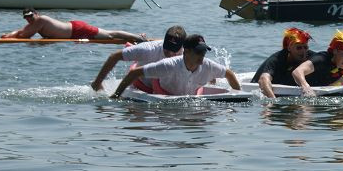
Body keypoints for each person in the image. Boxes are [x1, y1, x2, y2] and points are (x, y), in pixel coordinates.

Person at [110, 34, 240, 98]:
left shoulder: (208, 66)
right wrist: (115, 97)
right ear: (187, 51)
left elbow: (229, 74)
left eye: (204, 51)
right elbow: (134, 74)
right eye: (198, 51)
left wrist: (238, 94)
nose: (202, 55)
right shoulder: (168, 65)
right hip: (158, 87)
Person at [91, 25, 186, 92]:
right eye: (166, 49)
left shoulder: (188, 54)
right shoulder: (149, 49)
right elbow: (114, 56)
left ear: (182, 46)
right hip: (142, 85)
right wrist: (97, 83)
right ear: (164, 42)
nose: (169, 53)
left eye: (174, 50)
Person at [0, 8, 146, 43]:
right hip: (74, 30)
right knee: (109, 38)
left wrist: (8, 36)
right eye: (26, 18)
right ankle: (133, 39)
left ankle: (140, 38)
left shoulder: (40, 20)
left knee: (110, 35)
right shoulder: (34, 23)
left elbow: (24, 35)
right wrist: (7, 36)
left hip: (77, 29)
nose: (29, 20)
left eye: (30, 16)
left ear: (36, 14)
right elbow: (22, 32)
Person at [251, 27, 314, 99]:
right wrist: (272, 101)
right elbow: (263, 80)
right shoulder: (277, 59)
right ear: (289, 48)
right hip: (253, 89)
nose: (303, 51)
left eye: (305, 47)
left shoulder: (310, 55)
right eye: (299, 48)